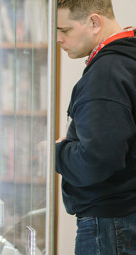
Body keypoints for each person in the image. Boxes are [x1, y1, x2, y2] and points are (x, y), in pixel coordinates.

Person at [56, 0, 136, 254]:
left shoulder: (107, 73)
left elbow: (98, 159)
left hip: (110, 223)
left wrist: (57, 151)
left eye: (64, 30)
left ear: (94, 22)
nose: (58, 39)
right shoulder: (125, 60)